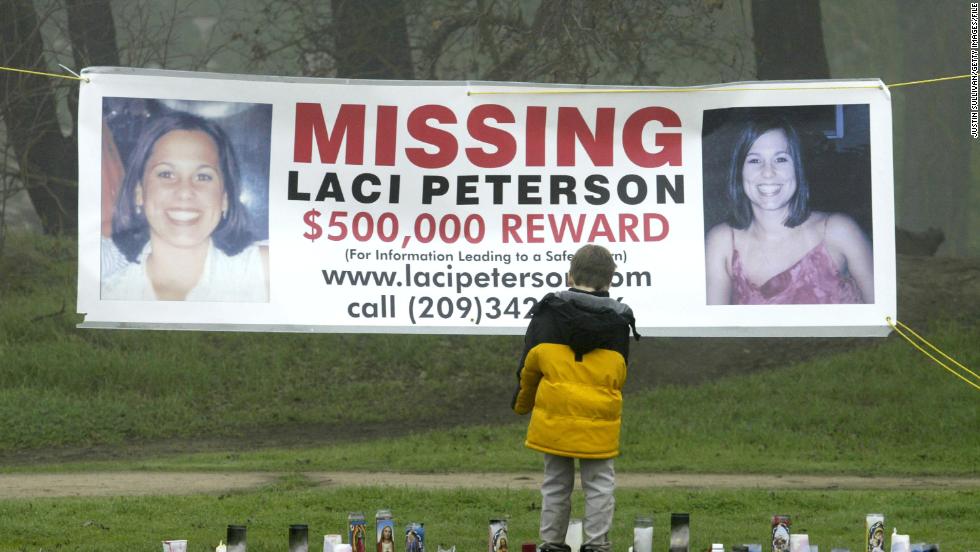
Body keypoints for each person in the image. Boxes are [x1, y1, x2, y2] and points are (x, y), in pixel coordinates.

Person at [512, 244, 639, 552]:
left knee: (555, 484)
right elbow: (619, 374)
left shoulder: (546, 314)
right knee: (599, 486)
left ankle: (552, 544)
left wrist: (522, 403)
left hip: (554, 419)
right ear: (610, 281)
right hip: (599, 421)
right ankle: (597, 545)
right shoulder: (620, 321)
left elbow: (529, 368)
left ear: (569, 276)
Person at [101, 111, 269, 302]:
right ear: (140, 193)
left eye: (203, 176)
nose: (185, 191)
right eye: (166, 174)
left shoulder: (264, 274)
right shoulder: (107, 294)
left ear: (225, 198)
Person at [704, 117, 874, 305]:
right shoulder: (722, 241)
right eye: (754, 160)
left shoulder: (839, 231)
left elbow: (887, 319)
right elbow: (717, 329)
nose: (768, 172)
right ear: (739, 171)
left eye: (781, 159)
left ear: (798, 168)